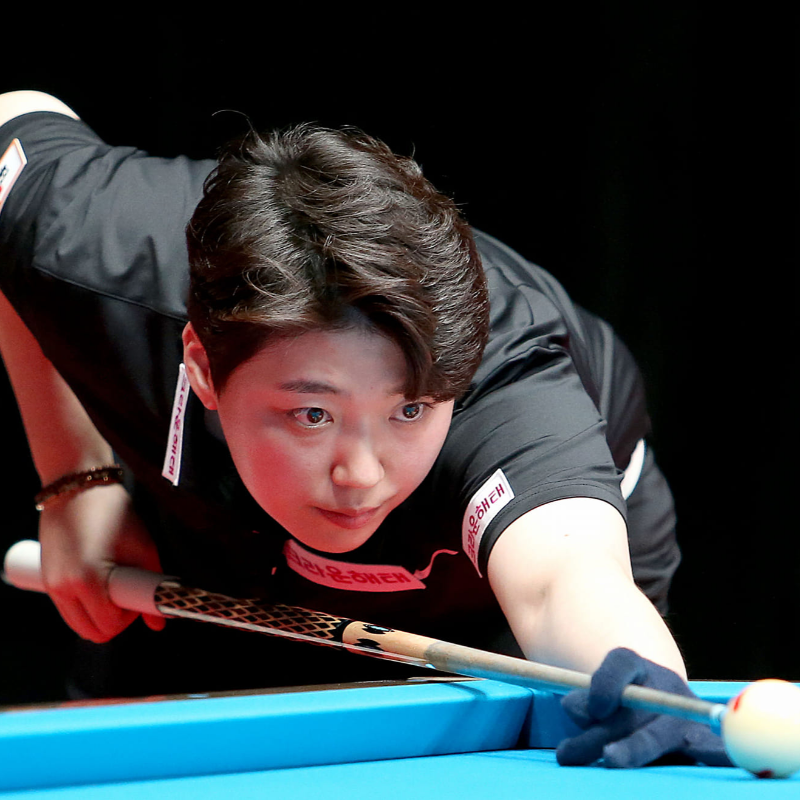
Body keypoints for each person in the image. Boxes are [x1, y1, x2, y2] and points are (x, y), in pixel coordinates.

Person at [0, 90, 727, 769]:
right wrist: (75, 477)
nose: (362, 475)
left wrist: (644, 685)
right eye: (312, 414)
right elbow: (15, 115)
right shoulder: (101, 245)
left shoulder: (505, 390)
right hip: (204, 546)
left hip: (477, 597)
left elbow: (561, 583)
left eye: (409, 410)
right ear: (203, 366)